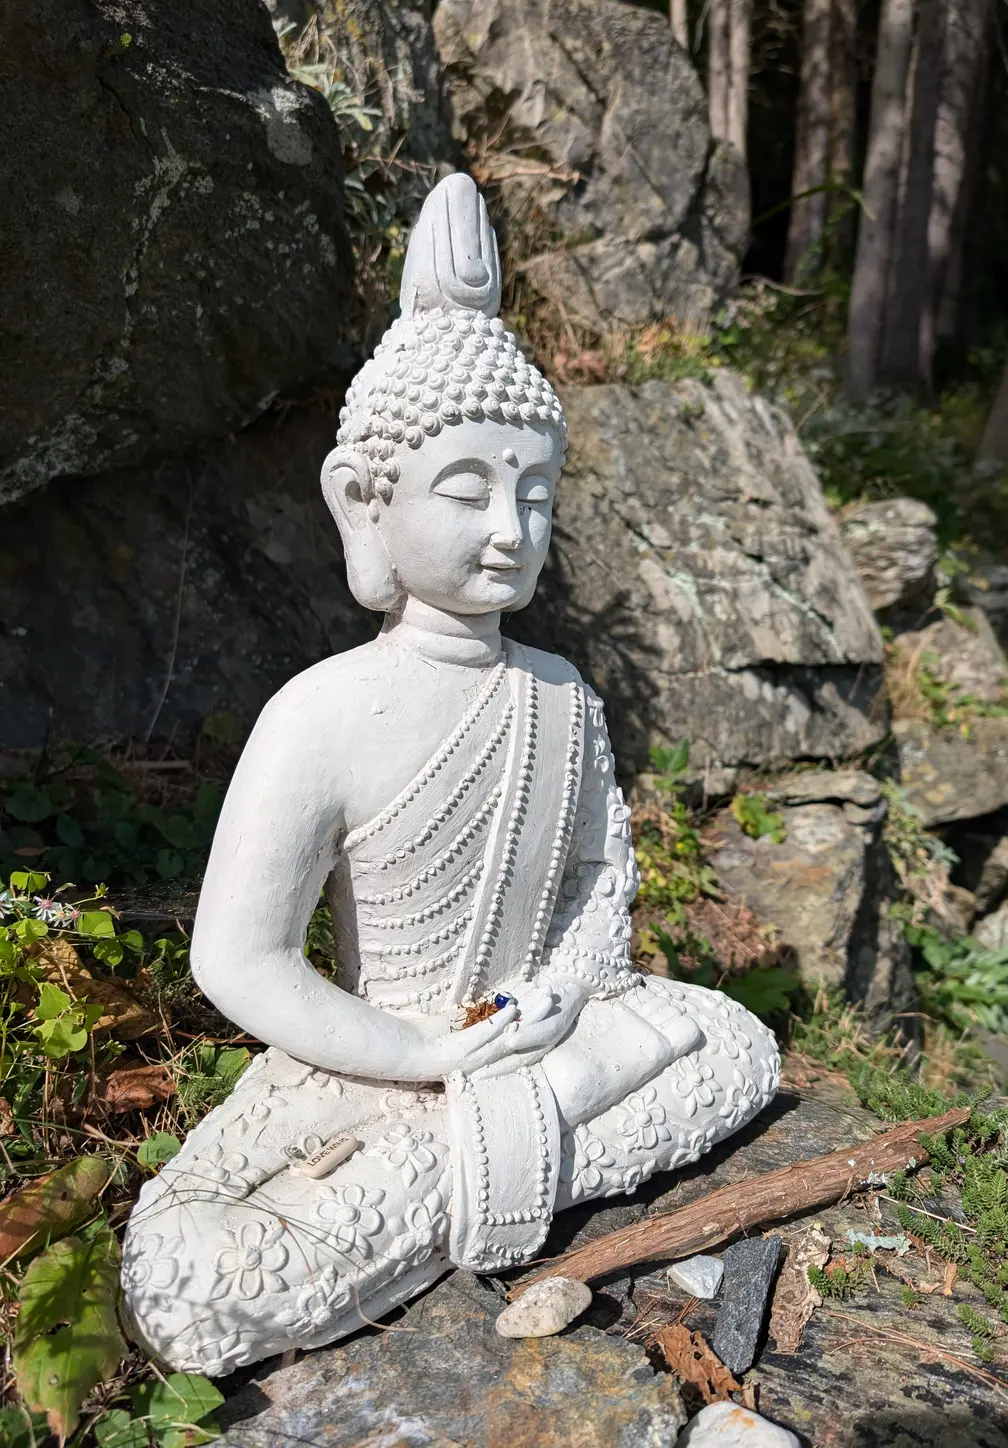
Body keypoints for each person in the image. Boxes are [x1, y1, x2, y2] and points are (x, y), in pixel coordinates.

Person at [120, 174, 779, 1375]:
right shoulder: (321, 710)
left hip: (540, 1043)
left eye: (535, 494)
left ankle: (443, 1183)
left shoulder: (562, 695)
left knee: (731, 1035)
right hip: (362, 1052)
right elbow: (238, 958)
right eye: (467, 489)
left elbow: (595, 884)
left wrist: (565, 998)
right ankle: (473, 1166)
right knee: (189, 1275)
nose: (510, 529)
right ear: (364, 504)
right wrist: (421, 1056)